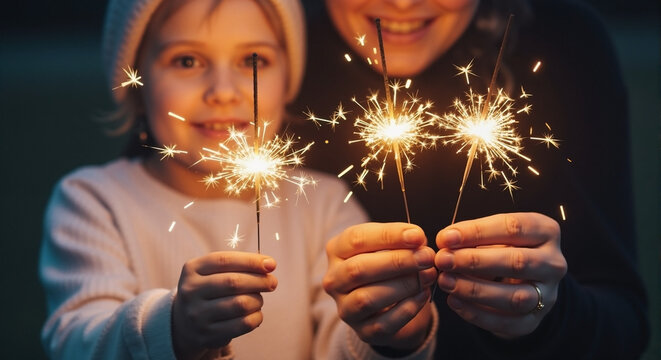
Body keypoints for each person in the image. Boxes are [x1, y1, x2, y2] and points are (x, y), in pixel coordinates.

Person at [38, 0, 439, 359]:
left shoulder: (324, 205)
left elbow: (343, 341)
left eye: (253, 60)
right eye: (187, 61)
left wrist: (390, 333)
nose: (224, 91)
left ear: (287, 82)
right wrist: (172, 328)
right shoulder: (94, 203)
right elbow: (77, 342)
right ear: (136, 84)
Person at [291, 0, 650, 358]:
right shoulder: (271, 48)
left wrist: (547, 314)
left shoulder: (564, 41)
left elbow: (626, 330)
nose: (402, 3)